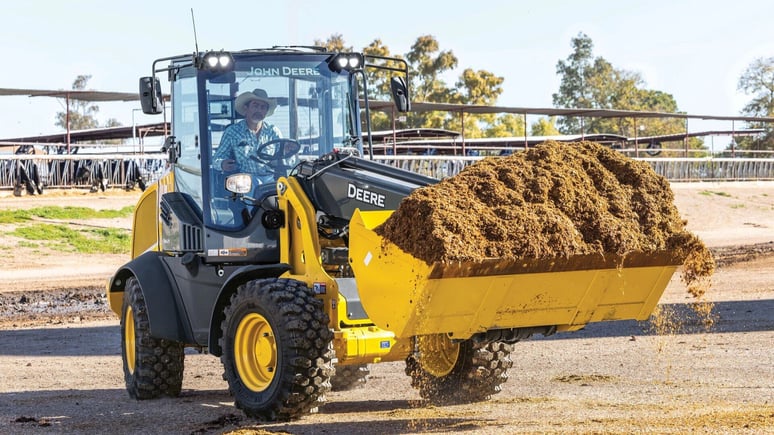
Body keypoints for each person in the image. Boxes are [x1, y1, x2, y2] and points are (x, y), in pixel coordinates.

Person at [213, 88, 282, 180]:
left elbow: (286, 160)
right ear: (246, 108)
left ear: (266, 112)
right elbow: (216, 159)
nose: (259, 110)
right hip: (243, 181)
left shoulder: (273, 132)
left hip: (271, 180)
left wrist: (288, 152)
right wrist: (222, 164)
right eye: (255, 106)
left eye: (263, 107)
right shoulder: (232, 132)